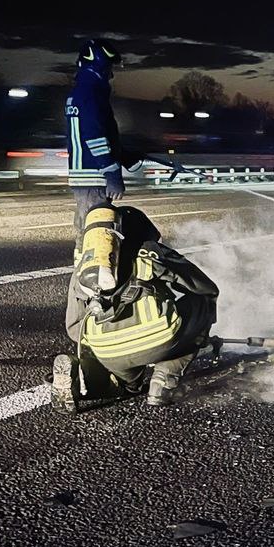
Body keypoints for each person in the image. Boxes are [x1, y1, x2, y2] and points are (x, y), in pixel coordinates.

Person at [52, 204, 218, 413]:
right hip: (160, 337)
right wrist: (199, 328)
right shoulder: (149, 251)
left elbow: (74, 328)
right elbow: (206, 287)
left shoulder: (83, 271)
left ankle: (80, 378)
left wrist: (104, 350)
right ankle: (165, 378)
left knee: (128, 387)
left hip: (107, 349)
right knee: (204, 303)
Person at [65, 39, 143, 252]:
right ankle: (91, 282)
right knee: (95, 230)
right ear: (98, 66)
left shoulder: (82, 93)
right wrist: (111, 171)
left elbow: (94, 135)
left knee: (90, 228)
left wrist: (124, 156)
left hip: (87, 174)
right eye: (109, 67)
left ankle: (91, 277)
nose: (111, 74)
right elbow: (94, 137)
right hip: (94, 175)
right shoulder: (91, 94)